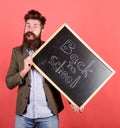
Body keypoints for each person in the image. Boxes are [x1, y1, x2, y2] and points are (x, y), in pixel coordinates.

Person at [6, 9, 83, 128]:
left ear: (42, 29)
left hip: (48, 115)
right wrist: (24, 71)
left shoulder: (51, 49)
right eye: (28, 25)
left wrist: (73, 100)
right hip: (24, 116)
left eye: (35, 26)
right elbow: (9, 82)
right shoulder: (17, 52)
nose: (30, 29)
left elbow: (63, 77)